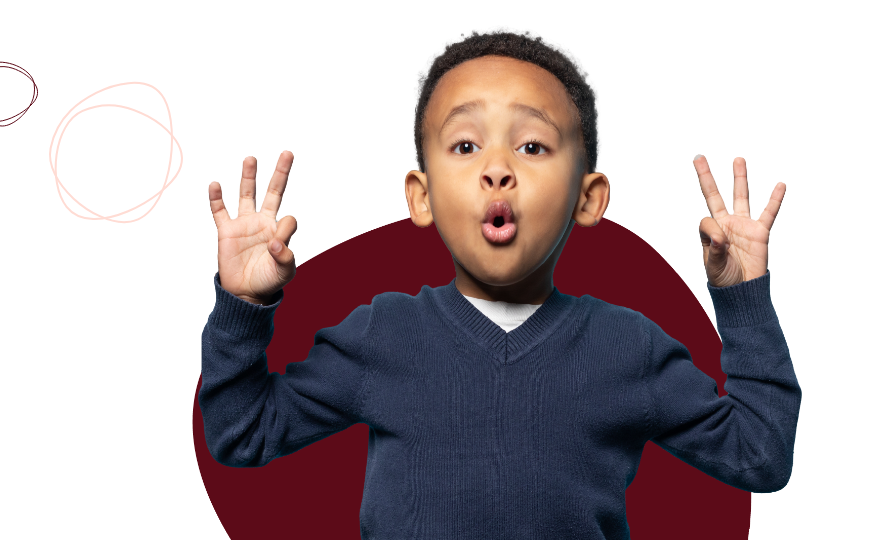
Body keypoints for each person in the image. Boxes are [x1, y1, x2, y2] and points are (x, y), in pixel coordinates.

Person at [201, 26, 798, 539]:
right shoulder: (383, 332)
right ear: (421, 195)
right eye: (465, 144)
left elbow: (760, 456)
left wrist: (743, 297)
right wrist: (244, 304)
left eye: (532, 145)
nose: (497, 169)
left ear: (588, 198)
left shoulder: (628, 347)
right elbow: (241, 433)